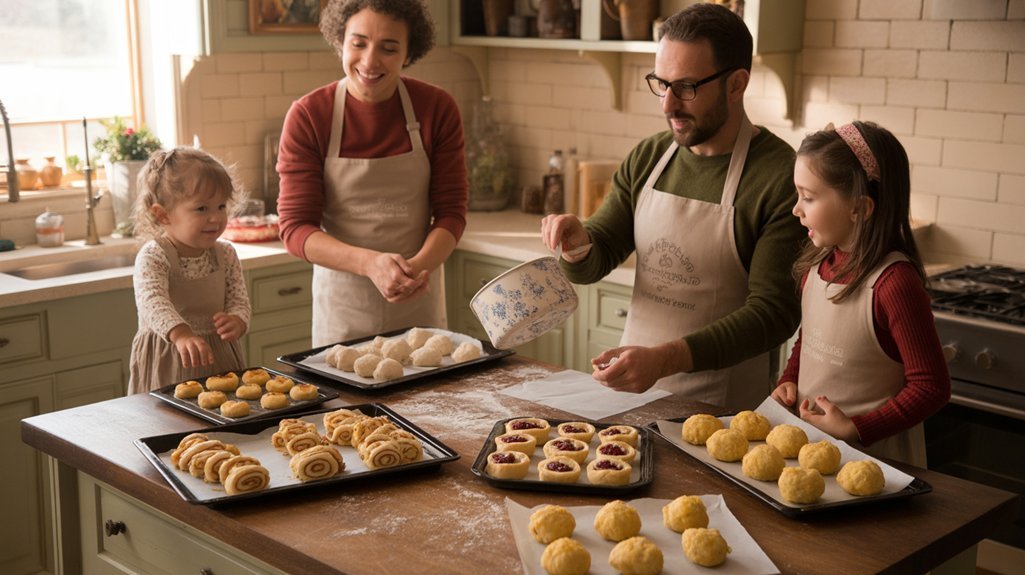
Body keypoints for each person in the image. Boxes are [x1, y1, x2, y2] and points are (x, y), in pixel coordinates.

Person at [541, 3, 804, 411]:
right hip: (631, 394)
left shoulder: (779, 177)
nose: (667, 105)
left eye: (686, 87)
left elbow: (774, 314)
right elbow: (600, 254)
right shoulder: (650, 157)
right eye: (661, 84)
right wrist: (577, 243)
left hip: (725, 411)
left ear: (736, 85)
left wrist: (665, 359)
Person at [276, 0, 467, 347]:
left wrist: (417, 269)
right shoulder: (309, 115)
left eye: (389, 48)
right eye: (358, 43)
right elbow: (294, 228)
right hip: (343, 311)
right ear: (340, 41)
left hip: (418, 305)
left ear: (409, 53)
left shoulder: (437, 108)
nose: (369, 61)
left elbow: (452, 212)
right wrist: (369, 264)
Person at [771, 121, 950, 466]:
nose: (797, 209)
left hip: (875, 465)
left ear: (860, 209)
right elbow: (811, 340)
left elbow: (931, 388)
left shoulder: (894, 284)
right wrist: (789, 380)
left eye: (808, 197)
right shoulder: (818, 264)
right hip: (811, 455)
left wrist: (857, 428)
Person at [128, 147, 251, 394]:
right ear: (162, 215)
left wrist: (238, 319)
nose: (216, 218)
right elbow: (152, 302)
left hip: (220, 359)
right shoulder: (154, 256)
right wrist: (181, 334)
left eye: (221, 206)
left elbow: (239, 298)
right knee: (168, 424)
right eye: (202, 209)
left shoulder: (226, 254)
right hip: (169, 358)